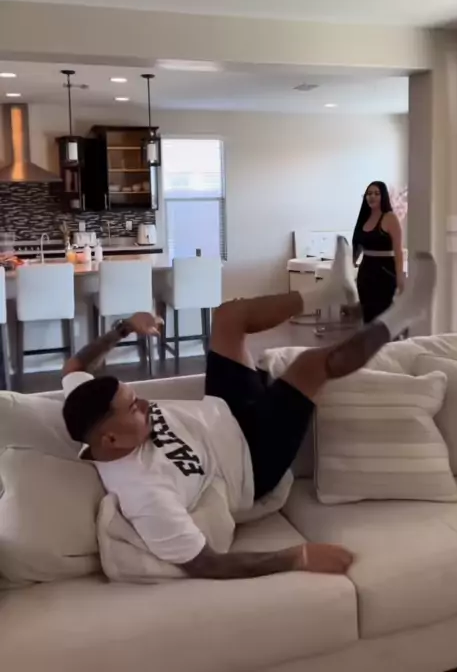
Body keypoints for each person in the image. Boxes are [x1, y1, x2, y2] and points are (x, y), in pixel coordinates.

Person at [61, 238, 435, 581]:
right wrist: (298, 556)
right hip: (252, 462)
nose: (144, 403)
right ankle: (404, 315)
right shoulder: (144, 494)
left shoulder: (87, 409)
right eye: (133, 408)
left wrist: (125, 328)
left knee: (228, 316)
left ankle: (329, 291)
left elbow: (75, 367)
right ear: (110, 439)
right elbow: (207, 563)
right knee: (309, 365)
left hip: (222, 409)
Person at [352, 181, 404, 324]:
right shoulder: (364, 218)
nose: (372, 197)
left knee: (383, 315)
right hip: (365, 272)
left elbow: (398, 251)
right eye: (369, 194)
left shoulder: (390, 218)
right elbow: (359, 243)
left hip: (384, 273)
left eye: (376, 193)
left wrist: (400, 277)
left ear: (383, 196)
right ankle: (369, 338)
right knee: (368, 316)